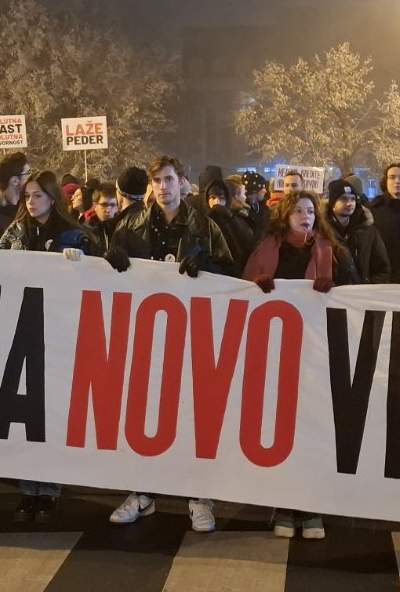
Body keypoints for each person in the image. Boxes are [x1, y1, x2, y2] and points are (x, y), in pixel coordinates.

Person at [104, 156, 233, 533]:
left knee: (193, 415)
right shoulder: (128, 225)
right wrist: (108, 260)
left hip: (193, 333)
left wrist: (206, 265)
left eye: (169, 179)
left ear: (182, 183)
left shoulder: (205, 228)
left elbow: (231, 273)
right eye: (156, 181)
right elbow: (108, 276)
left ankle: (198, 495)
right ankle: (144, 491)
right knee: (145, 416)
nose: (163, 187)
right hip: (145, 333)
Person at [242, 190, 356, 541]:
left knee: (312, 428)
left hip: (317, 352)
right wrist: (254, 288)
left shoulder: (332, 251)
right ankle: (284, 503)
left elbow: (356, 292)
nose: (306, 215)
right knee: (281, 428)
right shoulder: (266, 250)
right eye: (299, 211)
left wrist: (332, 289)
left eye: (310, 210)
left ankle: (311, 506)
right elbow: (240, 290)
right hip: (276, 352)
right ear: (285, 216)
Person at [0, 171, 94, 521]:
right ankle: (28, 488)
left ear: (53, 198)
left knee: (50, 414)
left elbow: (94, 278)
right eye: (27, 196)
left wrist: (80, 264)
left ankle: (49, 488)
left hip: (59, 333)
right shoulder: (15, 233)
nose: (31, 201)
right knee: (25, 414)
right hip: (22, 329)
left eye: (38, 196)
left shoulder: (76, 235)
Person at [324, 178, 390, 283]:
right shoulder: (322, 231)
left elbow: (382, 268)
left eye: (352, 199)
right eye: (344, 199)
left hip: (362, 295)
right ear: (333, 203)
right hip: (332, 295)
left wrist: (368, 289)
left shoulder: (368, 231)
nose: (350, 203)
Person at [206, 177, 257, 269]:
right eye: (212, 197)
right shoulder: (199, 221)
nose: (217, 202)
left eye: (221, 198)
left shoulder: (237, 222)